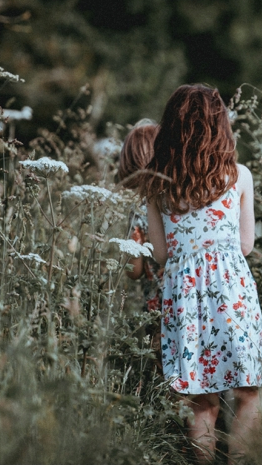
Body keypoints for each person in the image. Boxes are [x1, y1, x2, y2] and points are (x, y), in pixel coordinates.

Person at [140, 84, 262, 464]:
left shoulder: (157, 186)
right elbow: (246, 245)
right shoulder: (239, 177)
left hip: (184, 296)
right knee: (247, 394)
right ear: (220, 126)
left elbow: (160, 254)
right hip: (232, 292)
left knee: (201, 404)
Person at [117, 121, 163, 363]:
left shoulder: (138, 212)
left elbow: (134, 271)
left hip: (157, 304)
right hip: (190, 292)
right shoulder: (176, 200)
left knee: (164, 375)